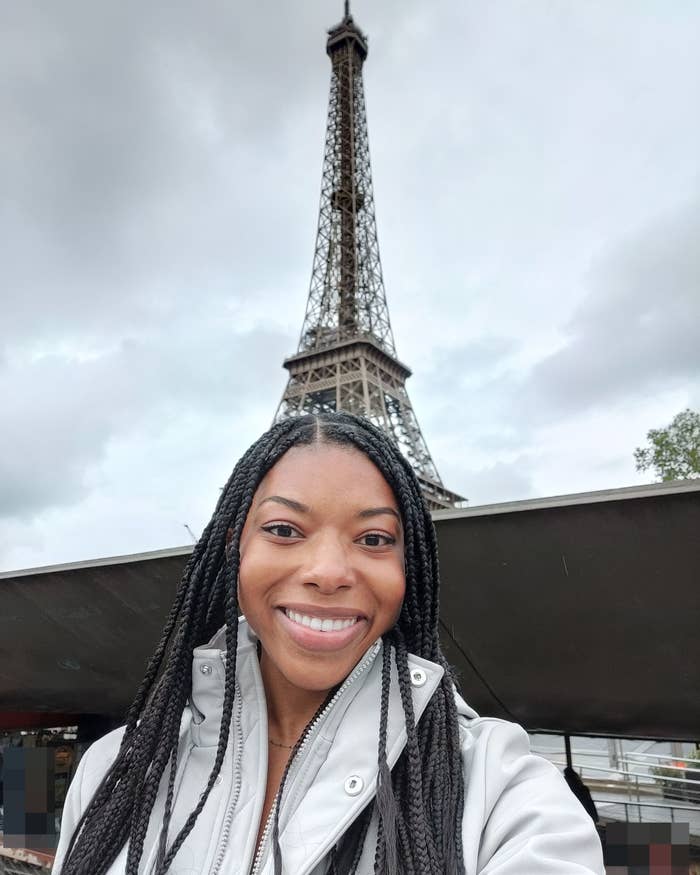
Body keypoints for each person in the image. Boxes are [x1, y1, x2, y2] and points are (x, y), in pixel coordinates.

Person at [53, 412, 604, 874]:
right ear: (233, 547)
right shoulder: (114, 770)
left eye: (373, 539)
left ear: (408, 568)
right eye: (285, 530)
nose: (328, 572)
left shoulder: (503, 793)